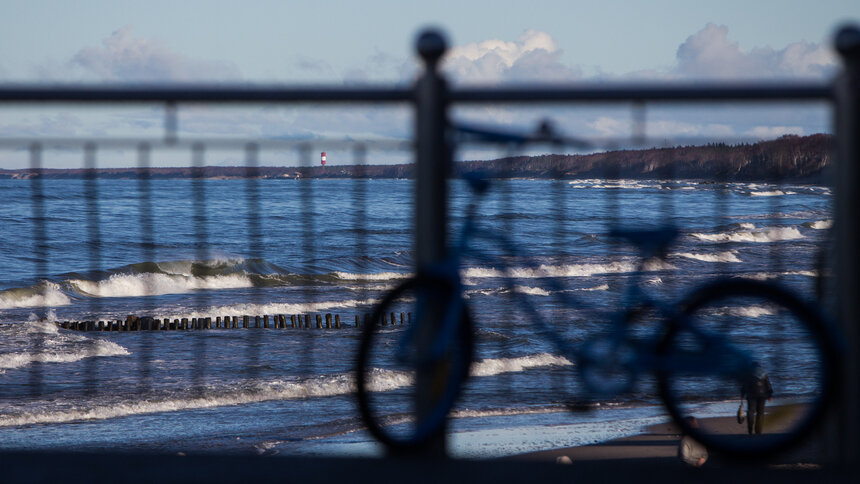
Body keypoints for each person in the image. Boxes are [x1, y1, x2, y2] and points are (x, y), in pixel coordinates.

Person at [741, 363, 773, 435]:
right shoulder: (763, 373)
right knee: (760, 413)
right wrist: (770, 395)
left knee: (751, 411)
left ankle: (750, 429)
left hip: (751, 395)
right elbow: (768, 385)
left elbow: (744, 386)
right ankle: (758, 431)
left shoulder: (748, 374)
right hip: (762, 395)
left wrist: (742, 395)